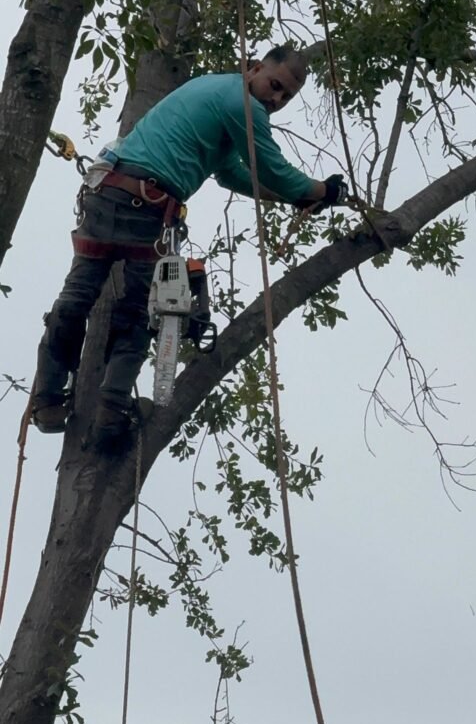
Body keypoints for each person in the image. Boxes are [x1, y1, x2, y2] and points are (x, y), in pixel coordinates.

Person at [32, 46, 347, 444]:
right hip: (145, 209)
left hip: (110, 193)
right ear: (254, 68)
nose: (276, 99)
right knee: (137, 311)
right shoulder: (240, 103)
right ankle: (111, 410)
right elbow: (270, 166)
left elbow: (232, 172)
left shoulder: (218, 94)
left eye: (286, 97)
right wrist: (322, 190)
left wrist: (294, 196)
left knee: (77, 297)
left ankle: (47, 398)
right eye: (275, 85)